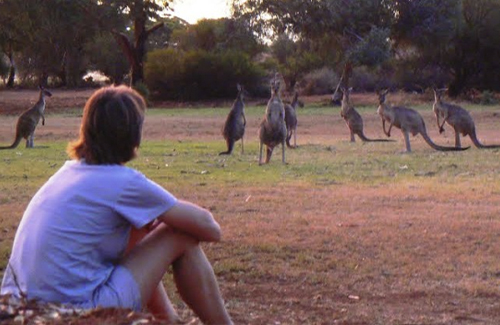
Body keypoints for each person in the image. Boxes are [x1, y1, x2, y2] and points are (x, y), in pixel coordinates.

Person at [0, 85, 233, 324]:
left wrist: (153, 217)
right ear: (134, 135)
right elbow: (209, 229)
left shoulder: (67, 173)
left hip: (20, 310)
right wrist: (164, 212)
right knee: (177, 233)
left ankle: (169, 320)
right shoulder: (122, 183)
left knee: (139, 226)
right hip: (73, 313)